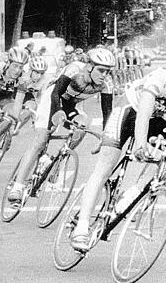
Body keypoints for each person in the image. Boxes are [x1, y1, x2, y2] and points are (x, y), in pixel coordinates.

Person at [68, 51, 166, 252]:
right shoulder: (163, 77)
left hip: (155, 118)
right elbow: (143, 115)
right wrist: (140, 145)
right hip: (129, 110)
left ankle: (135, 192)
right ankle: (82, 227)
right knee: (104, 168)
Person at [7, 48, 116, 204]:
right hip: (53, 99)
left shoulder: (107, 83)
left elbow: (107, 112)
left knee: (83, 124)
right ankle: (17, 187)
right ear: (90, 66)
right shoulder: (75, 69)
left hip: (71, 104)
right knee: (41, 140)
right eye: (101, 70)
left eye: (108, 72)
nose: (104, 75)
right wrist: (56, 114)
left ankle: (58, 162)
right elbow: (56, 94)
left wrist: (106, 138)